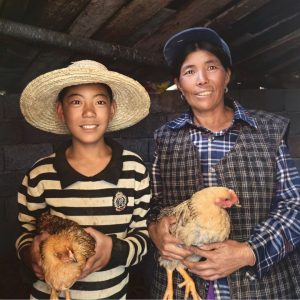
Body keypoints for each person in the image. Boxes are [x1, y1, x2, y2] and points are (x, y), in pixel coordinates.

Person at [147, 27, 300, 299]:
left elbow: (294, 206)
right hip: (181, 285)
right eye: (190, 71)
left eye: (211, 67)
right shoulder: (164, 138)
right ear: (179, 84)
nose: (202, 79)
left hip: (261, 289)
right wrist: (157, 231)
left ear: (227, 75)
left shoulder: (268, 130)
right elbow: (152, 206)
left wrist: (248, 251)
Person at [15, 60, 152, 299]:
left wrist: (114, 251)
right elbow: (24, 233)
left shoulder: (134, 169)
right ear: (60, 111)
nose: (88, 112)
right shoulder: (41, 174)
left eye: (99, 102)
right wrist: (31, 254)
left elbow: (142, 235)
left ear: (112, 109)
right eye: (76, 102)